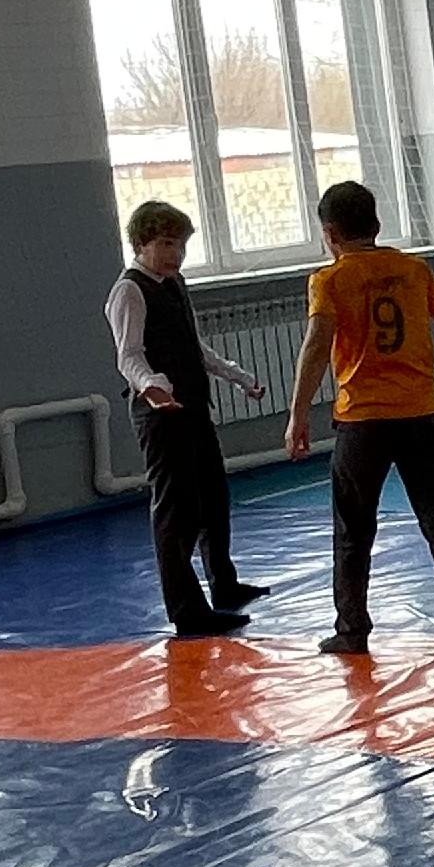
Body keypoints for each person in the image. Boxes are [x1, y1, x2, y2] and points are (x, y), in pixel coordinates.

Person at [280, 180, 434, 658]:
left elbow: (316, 346)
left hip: (363, 420)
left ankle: (352, 630)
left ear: (330, 234)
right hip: (419, 414)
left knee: (353, 530)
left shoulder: (329, 280)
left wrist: (298, 415)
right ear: (377, 225)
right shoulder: (413, 270)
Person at [105, 197, 269, 637]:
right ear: (141, 244)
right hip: (160, 416)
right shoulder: (129, 291)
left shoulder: (175, 283)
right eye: (165, 244)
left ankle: (224, 585)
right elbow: (128, 355)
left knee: (213, 498)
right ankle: (186, 609)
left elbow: (196, 348)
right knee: (176, 511)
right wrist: (152, 385)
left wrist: (239, 377)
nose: (175, 254)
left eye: (180, 245)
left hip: (194, 407)